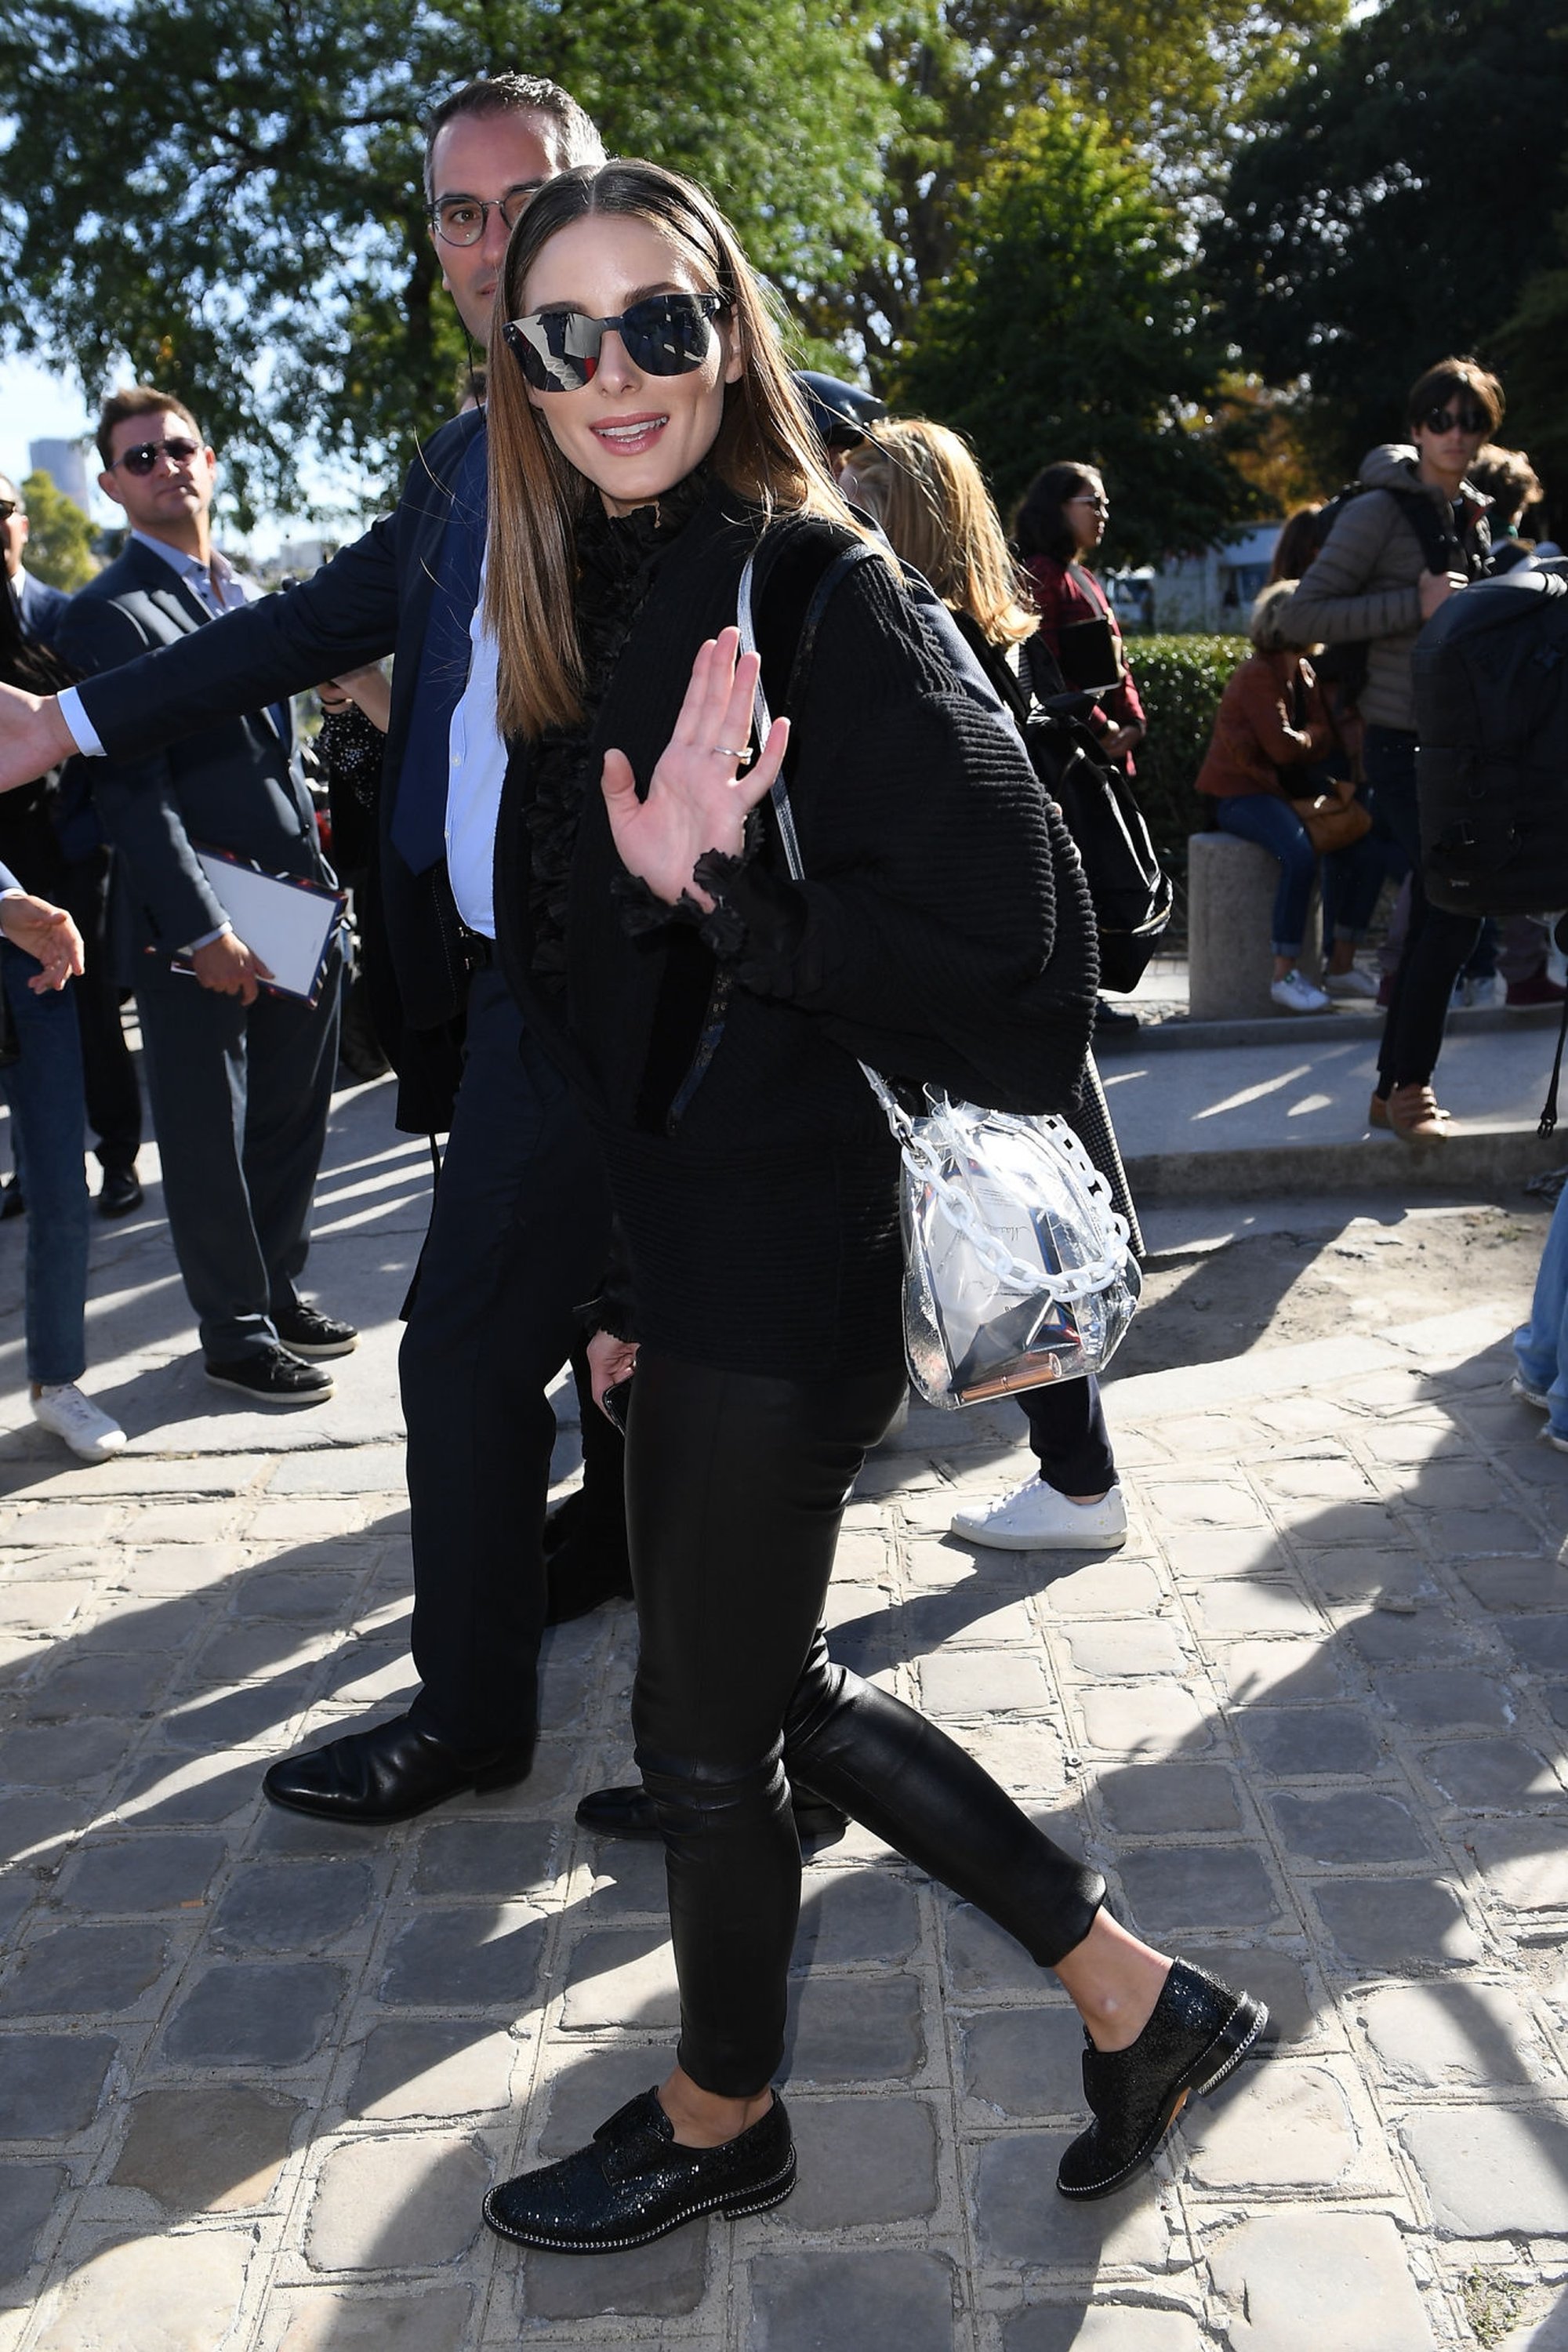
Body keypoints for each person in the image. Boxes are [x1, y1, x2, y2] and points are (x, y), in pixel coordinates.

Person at [470, 155, 1264, 2254]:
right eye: (570, 333)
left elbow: (1030, 960)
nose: (619, 367)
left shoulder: (814, 588)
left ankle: (721, 2114)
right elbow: (612, 1010)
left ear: (731, 337)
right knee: (773, 1693)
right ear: (520, 372)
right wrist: (621, 1273)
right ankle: (1138, 1999)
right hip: (692, 1254)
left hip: (798, 1246)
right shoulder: (589, 597)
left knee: (702, 1743)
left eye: (665, 319)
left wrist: (731, 893)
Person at [0, 76, 661, 1828]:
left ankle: (484, 1717)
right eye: (453, 210)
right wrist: (61, 723)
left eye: (521, 201)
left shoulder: (659, 415)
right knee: (619, 1329)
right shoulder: (459, 460)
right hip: (497, 987)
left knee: (463, 1354)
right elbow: (296, 629)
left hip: (637, 994)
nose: (485, 238)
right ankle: (638, 1588)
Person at [842, 416, 1131, 1551]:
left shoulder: (912, 635)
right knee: (995, 1221)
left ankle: (1077, 1480)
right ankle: (1069, 1472)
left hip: (958, 984)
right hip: (996, 977)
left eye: (856, 495)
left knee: (993, 1228)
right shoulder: (987, 634)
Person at [56, 385, 355, 1406]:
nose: (165, 466)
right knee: (207, 1129)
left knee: (288, 1114)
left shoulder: (248, 594)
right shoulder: (108, 613)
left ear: (211, 460)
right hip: (206, 911)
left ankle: (274, 1288)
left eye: (179, 448)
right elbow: (131, 790)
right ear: (109, 486)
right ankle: (233, 1333)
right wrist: (205, 926)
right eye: (139, 459)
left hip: (297, 891)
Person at [1284, 356, 1497, 1142]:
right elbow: (1297, 614)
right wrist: (1411, 603)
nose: (1454, 434)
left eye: (1469, 421)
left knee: (1455, 914)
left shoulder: (1464, 514)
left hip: (1460, 744)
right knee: (1450, 909)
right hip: (1399, 745)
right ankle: (1409, 1089)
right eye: (1439, 419)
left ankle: (1388, 1087)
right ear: (1414, 428)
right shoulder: (1378, 512)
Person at [0, 590, 126, 1463]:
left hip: (40, 937)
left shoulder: (50, 625)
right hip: (19, 913)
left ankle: (58, 1379)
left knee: (60, 1169)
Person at [1196, 579, 1385, 1011]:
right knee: (1297, 854)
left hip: (1281, 792)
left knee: (1366, 850)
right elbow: (1283, 746)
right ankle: (1284, 974)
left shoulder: (1301, 671)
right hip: (1240, 794)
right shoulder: (1257, 675)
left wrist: (1308, 738)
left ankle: (1341, 964)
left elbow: (1320, 737)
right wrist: (1310, 738)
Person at [1012, 459, 1147, 1038]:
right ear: (1056, 506)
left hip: (1102, 752)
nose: (1103, 512)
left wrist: (1132, 719)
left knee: (1099, 871)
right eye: (1091, 500)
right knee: (1077, 876)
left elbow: (1115, 665)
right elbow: (1043, 666)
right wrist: (1099, 725)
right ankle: (1078, 1000)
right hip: (1068, 757)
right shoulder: (1040, 573)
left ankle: (1091, 994)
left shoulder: (1084, 577)